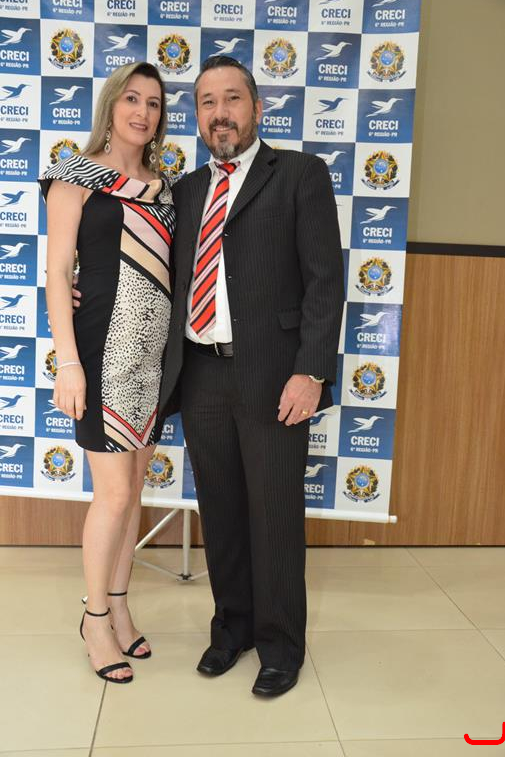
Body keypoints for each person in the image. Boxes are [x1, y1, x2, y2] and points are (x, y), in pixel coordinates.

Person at [159, 56, 344, 697]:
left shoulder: (298, 174)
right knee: (222, 512)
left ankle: (281, 646)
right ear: (197, 117)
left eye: (232, 99)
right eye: (207, 102)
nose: (220, 113)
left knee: (274, 515)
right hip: (202, 373)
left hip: (273, 375)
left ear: (257, 108)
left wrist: (311, 372)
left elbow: (325, 282)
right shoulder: (186, 190)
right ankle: (231, 628)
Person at [39, 62, 176, 683]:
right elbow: (56, 273)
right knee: (113, 494)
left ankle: (119, 606)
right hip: (99, 351)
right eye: (132, 99)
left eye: (153, 103)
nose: (142, 112)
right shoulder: (74, 176)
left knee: (134, 491)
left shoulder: (167, 188)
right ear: (111, 105)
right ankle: (94, 619)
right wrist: (68, 363)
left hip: (153, 356)